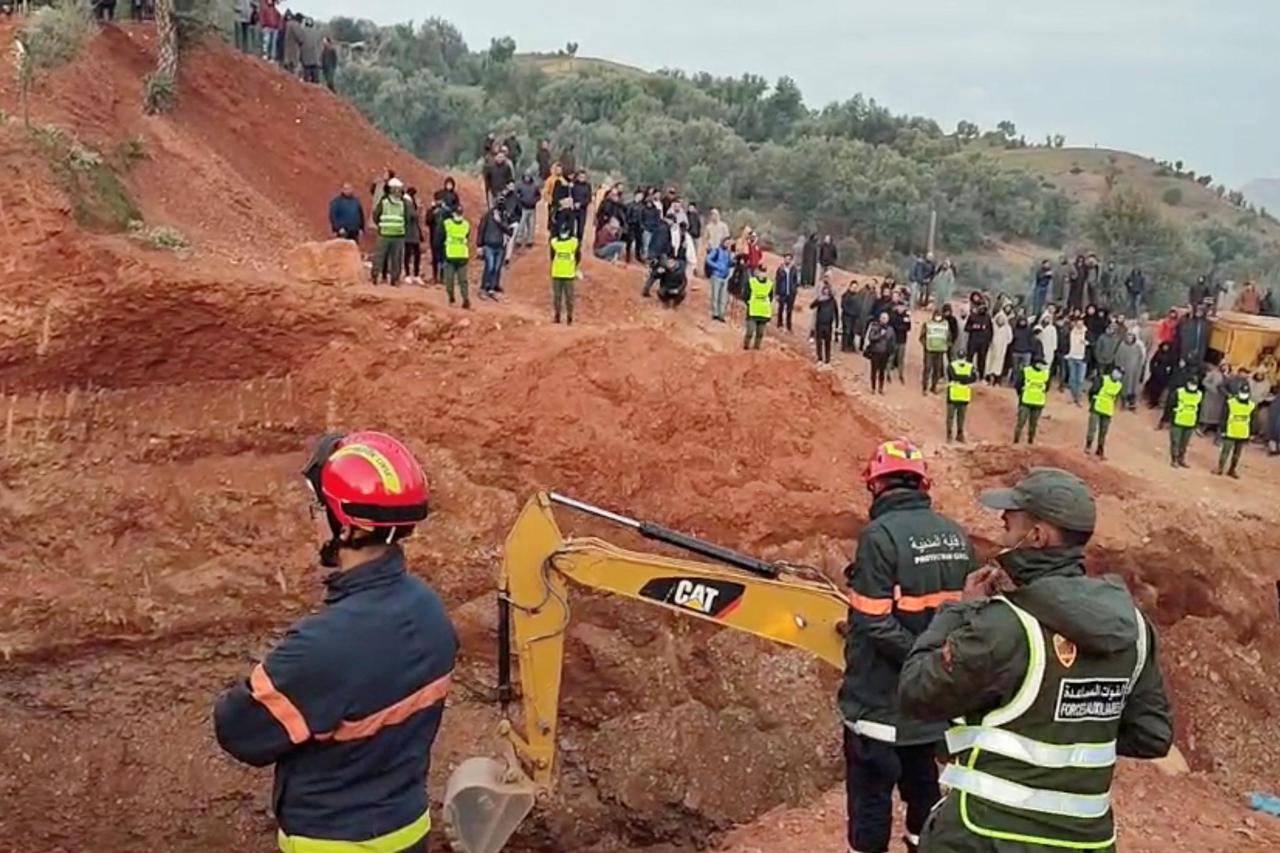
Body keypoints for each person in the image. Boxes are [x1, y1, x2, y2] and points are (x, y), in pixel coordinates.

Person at [900, 468, 1172, 853]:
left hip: (985, 836)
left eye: (1009, 525)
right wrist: (1073, 723)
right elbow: (1151, 736)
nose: (1002, 536)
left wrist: (960, 612)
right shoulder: (1136, 629)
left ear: (1038, 536)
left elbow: (917, 690)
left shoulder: (1007, 624)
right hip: (1086, 842)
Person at [214, 432, 458, 853]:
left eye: (318, 507)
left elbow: (239, 732)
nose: (314, 518)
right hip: (409, 832)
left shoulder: (323, 647)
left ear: (351, 525)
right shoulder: (430, 612)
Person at [840, 440, 975, 853]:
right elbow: (971, 616)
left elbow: (876, 623)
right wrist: (935, 661)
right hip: (932, 705)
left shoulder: (879, 537)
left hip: (878, 706)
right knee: (924, 797)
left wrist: (918, 655)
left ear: (877, 485)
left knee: (871, 805)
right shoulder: (956, 535)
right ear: (921, 484)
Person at [370, 178, 407, 287]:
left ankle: (395, 280)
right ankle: (375, 276)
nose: (398, 192)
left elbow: (408, 217)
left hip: (398, 235)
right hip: (385, 234)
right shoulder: (384, 202)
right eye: (395, 189)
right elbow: (376, 215)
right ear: (391, 190)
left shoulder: (403, 203)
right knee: (380, 257)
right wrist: (382, 225)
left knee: (396, 259)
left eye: (399, 189)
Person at [1086, 367, 1124, 459]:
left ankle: (1100, 449)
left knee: (1103, 431)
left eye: (1120, 373)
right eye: (1117, 371)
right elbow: (1092, 391)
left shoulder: (1119, 385)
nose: (1118, 374)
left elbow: (1117, 398)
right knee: (1092, 427)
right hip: (1097, 406)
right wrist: (1092, 401)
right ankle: (1088, 445)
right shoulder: (1102, 379)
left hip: (1108, 410)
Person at [477, 205, 513, 300]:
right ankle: (484, 288)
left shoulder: (504, 216)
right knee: (490, 267)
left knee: (496, 268)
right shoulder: (487, 215)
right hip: (489, 245)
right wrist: (479, 245)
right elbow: (481, 229)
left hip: (500, 246)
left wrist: (499, 222)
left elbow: (509, 231)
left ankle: (492, 288)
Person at [549, 220, 580, 325]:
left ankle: (569, 317)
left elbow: (578, 256)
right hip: (558, 274)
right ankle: (557, 316)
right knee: (557, 297)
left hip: (568, 274)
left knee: (569, 298)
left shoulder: (573, 242)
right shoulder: (555, 242)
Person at [1217, 389, 1255, 478]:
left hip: (1242, 433)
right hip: (1230, 431)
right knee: (1225, 451)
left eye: (1245, 393)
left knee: (1237, 454)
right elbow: (1224, 417)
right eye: (1242, 393)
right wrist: (1223, 430)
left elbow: (1253, 420)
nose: (1243, 395)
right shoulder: (1230, 402)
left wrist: (1251, 433)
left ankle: (1232, 469)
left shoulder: (1251, 405)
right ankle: (1220, 468)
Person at [1013, 357, 1050, 444]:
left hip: (1037, 403)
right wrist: (1021, 395)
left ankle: (1030, 441)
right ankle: (1016, 441)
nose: (1042, 366)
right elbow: (1018, 385)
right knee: (1021, 423)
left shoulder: (1046, 374)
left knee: (1033, 424)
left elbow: (1047, 387)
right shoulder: (1026, 371)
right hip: (1026, 402)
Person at [441, 205, 471, 309]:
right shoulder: (448, 224)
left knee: (461, 280)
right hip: (452, 256)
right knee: (452, 281)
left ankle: (464, 299)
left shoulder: (464, 225)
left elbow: (467, 237)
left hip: (459, 257)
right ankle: (453, 297)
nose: (459, 215)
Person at [1169, 375, 1202, 467]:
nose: (1193, 386)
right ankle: (1174, 459)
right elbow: (1171, 405)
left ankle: (1181, 459)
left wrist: (1196, 423)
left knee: (1185, 443)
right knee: (1176, 441)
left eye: (1195, 384)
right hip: (1178, 420)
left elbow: (1198, 409)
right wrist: (1171, 418)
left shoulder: (1199, 394)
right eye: (1191, 383)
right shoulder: (1179, 392)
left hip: (1190, 422)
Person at [864, 312, 896, 394]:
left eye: (886, 318)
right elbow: (871, 337)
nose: (884, 320)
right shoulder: (875, 326)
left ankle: (881, 388)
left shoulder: (890, 329)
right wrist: (880, 335)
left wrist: (891, 351)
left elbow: (892, 341)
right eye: (883, 318)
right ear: (880, 318)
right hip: (875, 352)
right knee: (874, 371)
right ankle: (873, 388)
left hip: (885, 353)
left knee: (882, 372)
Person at [946, 354, 976, 443]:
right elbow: (971, 378)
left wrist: (959, 379)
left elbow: (954, 377)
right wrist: (965, 378)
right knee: (959, 417)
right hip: (961, 395)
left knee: (953, 417)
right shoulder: (969, 367)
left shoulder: (952, 365)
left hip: (955, 394)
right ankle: (955, 435)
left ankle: (952, 435)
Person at [743, 264, 773, 350]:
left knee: (760, 333)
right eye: (761, 272)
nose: (762, 274)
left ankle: (757, 348)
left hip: (763, 312)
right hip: (753, 311)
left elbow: (770, 297)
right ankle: (746, 347)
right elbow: (745, 295)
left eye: (764, 272)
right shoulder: (751, 282)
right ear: (757, 272)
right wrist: (749, 303)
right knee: (750, 331)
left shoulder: (769, 284)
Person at [1115, 330, 1146, 411]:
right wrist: (1120, 366)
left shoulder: (1137, 347)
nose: (1129, 339)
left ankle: (1132, 404)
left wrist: (1139, 368)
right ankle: (1123, 403)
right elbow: (1118, 357)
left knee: (1133, 387)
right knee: (1125, 387)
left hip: (1135, 371)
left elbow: (1141, 358)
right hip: (1125, 371)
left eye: (1131, 337)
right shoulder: (1122, 346)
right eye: (1128, 337)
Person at [920, 310, 950, 395]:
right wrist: (925, 345)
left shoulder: (945, 324)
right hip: (929, 350)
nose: (938, 316)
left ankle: (933, 387)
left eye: (939, 315)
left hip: (940, 350)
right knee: (927, 369)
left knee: (937, 370)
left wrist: (947, 345)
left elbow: (948, 336)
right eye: (937, 315)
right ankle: (924, 388)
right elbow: (922, 337)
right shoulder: (928, 324)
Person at [811, 279, 840, 365]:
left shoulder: (833, 301)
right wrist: (818, 300)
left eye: (828, 291)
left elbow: (836, 313)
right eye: (825, 290)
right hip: (819, 324)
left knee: (828, 343)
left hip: (828, 324)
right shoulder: (820, 300)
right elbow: (811, 306)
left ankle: (827, 359)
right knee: (819, 342)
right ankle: (820, 358)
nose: (826, 292)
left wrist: (837, 325)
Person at [1062, 317, 1088, 405]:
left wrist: (1087, 343)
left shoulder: (1087, 332)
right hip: (1071, 357)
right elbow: (1065, 342)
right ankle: (1073, 397)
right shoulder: (1071, 332)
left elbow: (1093, 343)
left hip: (1082, 359)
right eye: (1078, 324)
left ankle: (1079, 398)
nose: (1079, 325)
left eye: (1081, 324)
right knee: (1072, 379)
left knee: (1080, 380)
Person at [1176, 303, 1211, 368]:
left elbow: (1205, 341)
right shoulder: (1187, 321)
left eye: (1202, 310)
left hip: (1199, 356)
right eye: (1199, 309)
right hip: (1186, 354)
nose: (1200, 311)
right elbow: (1183, 340)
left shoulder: (1206, 324)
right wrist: (1182, 357)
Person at [963, 303, 992, 378]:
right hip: (973, 341)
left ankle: (981, 376)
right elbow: (966, 328)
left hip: (983, 342)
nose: (982, 309)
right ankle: (967, 373)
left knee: (982, 359)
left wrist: (989, 340)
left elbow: (991, 330)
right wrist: (973, 327)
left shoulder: (987, 317)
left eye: (984, 308)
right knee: (969, 358)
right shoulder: (972, 316)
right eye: (981, 308)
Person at [402, 187, 424, 285]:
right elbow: (413, 216)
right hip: (409, 233)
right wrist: (419, 209)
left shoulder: (408, 202)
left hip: (413, 233)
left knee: (414, 253)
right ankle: (409, 275)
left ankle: (414, 275)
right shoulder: (408, 202)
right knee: (410, 254)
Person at [774, 253, 801, 331]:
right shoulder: (780, 269)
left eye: (789, 259)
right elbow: (777, 281)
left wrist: (795, 289)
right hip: (782, 292)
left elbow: (796, 280)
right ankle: (780, 324)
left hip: (791, 292)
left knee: (789, 310)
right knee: (781, 308)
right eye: (786, 258)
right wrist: (777, 293)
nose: (787, 260)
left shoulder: (794, 269)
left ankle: (789, 326)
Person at [1199, 361, 1226, 437]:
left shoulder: (1227, 376)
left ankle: (1209, 430)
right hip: (1210, 397)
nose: (1224, 368)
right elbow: (1204, 382)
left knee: (1215, 416)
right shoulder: (1213, 373)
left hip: (1219, 400)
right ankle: (1202, 428)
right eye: (1223, 366)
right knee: (1207, 414)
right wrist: (1212, 388)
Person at [512, 174, 540, 248]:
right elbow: (516, 195)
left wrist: (535, 201)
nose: (527, 178)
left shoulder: (535, 186)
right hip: (523, 208)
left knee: (531, 225)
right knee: (521, 225)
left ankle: (530, 241)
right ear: (524, 177)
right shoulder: (520, 185)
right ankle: (519, 240)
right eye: (526, 176)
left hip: (532, 208)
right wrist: (521, 200)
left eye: (529, 176)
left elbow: (539, 196)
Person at [986, 310, 1012, 386]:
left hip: (1001, 349)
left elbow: (1009, 338)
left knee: (999, 365)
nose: (1000, 320)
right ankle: (989, 380)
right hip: (992, 349)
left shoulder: (1007, 328)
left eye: (1002, 319)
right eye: (999, 319)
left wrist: (1004, 344)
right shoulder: (992, 326)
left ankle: (997, 381)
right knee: (990, 364)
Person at [891, 302, 912, 384]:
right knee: (891, 357)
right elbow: (894, 326)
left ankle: (901, 374)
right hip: (894, 340)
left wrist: (904, 325)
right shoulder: (893, 315)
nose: (901, 308)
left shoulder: (906, 316)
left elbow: (908, 327)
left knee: (901, 359)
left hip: (902, 340)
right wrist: (902, 327)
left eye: (902, 307)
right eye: (899, 307)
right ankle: (888, 374)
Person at [570, 170, 593, 242]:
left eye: (584, 177)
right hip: (572, 209)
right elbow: (570, 195)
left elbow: (589, 198)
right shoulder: (573, 185)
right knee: (571, 227)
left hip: (582, 210)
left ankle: (579, 244)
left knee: (581, 229)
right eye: (580, 176)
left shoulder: (588, 186)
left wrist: (581, 204)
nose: (582, 178)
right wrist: (573, 203)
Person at [299, 18, 323, 84]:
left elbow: (300, 43)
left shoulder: (302, 31)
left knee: (306, 81)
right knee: (316, 81)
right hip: (315, 59)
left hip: (305, 59)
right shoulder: (317, 33)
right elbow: (320, 47)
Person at [841, 282, 861, 353]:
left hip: (854, 317)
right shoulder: (845, 295)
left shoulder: (857, 296)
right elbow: (843, 306)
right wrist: (850, 312)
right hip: (847, 316)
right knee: (847, 331)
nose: (854, 288)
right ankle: (844, 346)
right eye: (853, 287)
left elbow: (859, 306)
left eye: (855, 287)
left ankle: (850, 346)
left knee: (852, 332)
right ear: (850, 287)